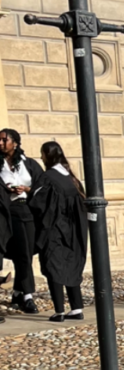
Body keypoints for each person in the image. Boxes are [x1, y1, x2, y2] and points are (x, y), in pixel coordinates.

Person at [29, 142, 87, 322]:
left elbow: (38, 203)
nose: (41, 157)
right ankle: (76, 308)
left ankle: (59, 310)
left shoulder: (48, 178)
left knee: (53, 267)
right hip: (74, 231)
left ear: (48, 155)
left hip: (54, 230)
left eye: (42, 154)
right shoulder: (72, 178)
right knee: (71, 265)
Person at [1, 129, 43, 314]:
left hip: (27, 210)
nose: (0, 143)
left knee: (25, 252)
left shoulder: (29, 163)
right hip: (6, 212)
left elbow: (43, 186)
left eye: (4, 140)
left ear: (15, 143)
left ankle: (22, 293)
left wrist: (27, 189)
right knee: (16, 252)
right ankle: (23, 294)